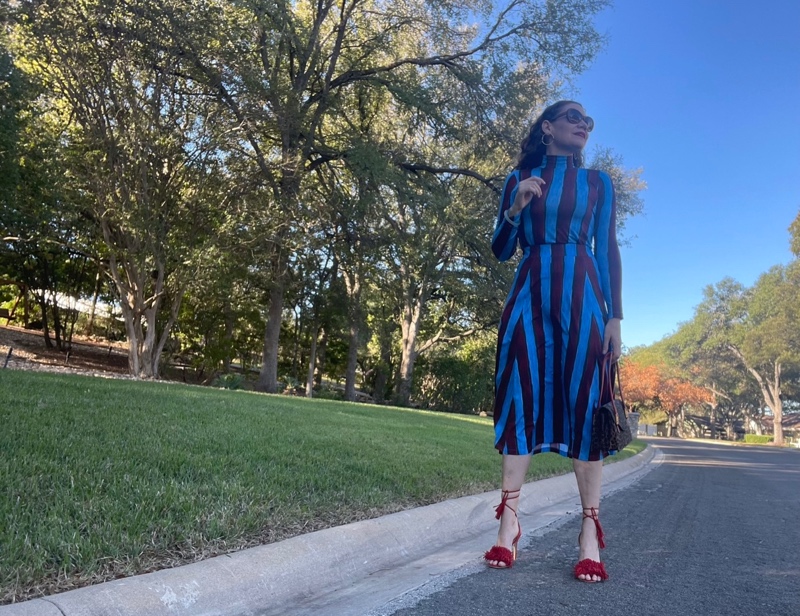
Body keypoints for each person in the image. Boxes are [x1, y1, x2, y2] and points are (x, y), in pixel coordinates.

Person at [483, 100, 623, 583]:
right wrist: (516, 206)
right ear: (548, 127)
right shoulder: (519, 176)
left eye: (588, 121)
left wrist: (615, 317)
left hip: (584, 299)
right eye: (573, 118)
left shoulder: (596, 183)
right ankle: (508, 524)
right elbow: (501, 250)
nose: (584, 125)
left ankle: (589, 532)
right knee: (519, 394)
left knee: (586, 403)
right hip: (529, 293)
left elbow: (607, 249)